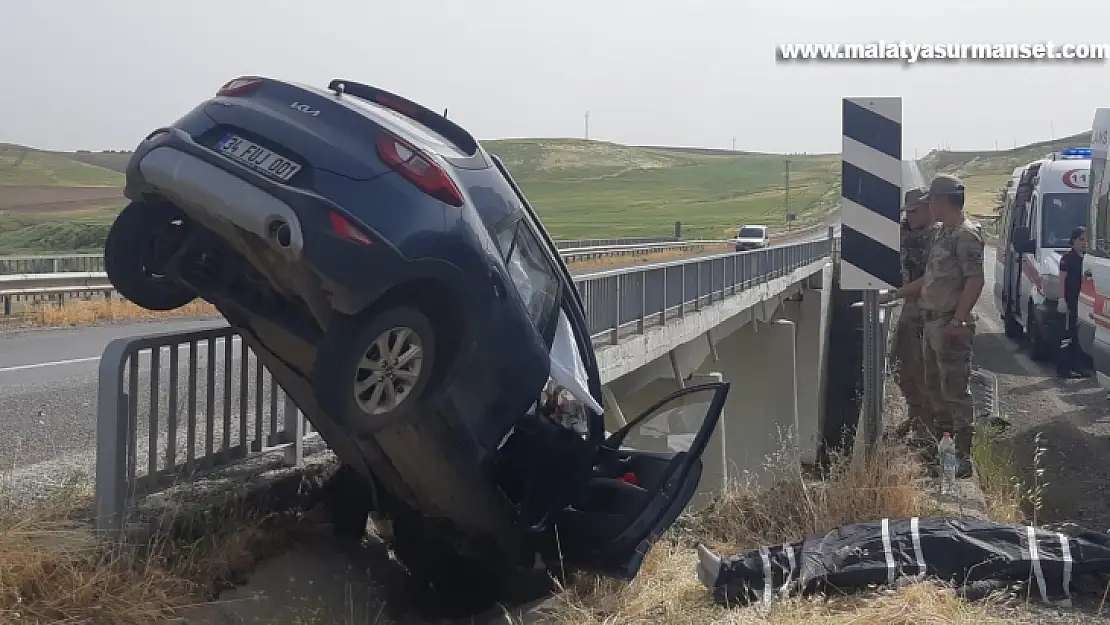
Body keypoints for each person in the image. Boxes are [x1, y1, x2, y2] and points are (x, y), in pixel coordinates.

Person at [882, 174, 983, 477]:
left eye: (931, 203)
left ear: (942, 202)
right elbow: (932, 278)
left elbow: (975, 280)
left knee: (955, 395)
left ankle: (961, 461)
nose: (928, 209)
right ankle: (944, 456)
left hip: (949, 325)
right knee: (936, 394)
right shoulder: (944, 234)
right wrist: (897, 293)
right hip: (933, 323)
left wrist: (959, 319)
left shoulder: (966, 235)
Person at [891, 187, 940, 445]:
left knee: (922, 370)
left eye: (914, 211)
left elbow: (930, 278)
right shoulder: (907, 232)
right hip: (911, 306)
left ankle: (926, 430)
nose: (909, 216)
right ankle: (915, 416)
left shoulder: (938, 238)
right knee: (902, 367)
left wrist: (894, 294)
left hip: (929, 309)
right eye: (907, 211)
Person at [1057, 227, 1092, 379]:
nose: (1084, 243)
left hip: (1082, 301)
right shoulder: (1067, 258)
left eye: (1086, 240)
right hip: (1070, 300)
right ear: (1073, 241)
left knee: (1077, 336)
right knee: (1067, 336)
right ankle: (1063, 369)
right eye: (1081, 240)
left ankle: (1076, 367)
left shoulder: (1086, 258)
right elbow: (1062, 280)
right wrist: (1061, 299)